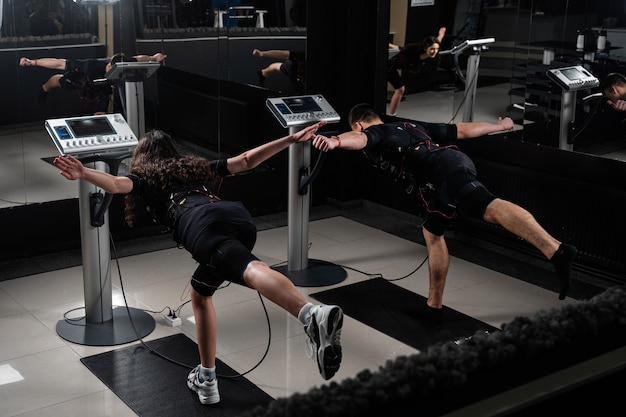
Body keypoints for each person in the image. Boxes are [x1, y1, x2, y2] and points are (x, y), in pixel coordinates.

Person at [52, 123, 343, 405]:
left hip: (201, 226)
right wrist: (289, 140)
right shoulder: (197, 168)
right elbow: (245, 160)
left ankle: (309, 314)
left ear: (143, 157)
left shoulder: (146, 177)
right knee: (200, 293)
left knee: (250, 269)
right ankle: (207, 378)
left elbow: (116, 184)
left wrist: (83, 172)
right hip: (236, 219)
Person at [311, 103, 577, 322]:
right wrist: (500, 126)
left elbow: (361, 139)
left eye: (354, 128)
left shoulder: (379, 132)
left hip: (444, 171)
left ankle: (556, 249)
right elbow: (462, 130)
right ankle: (433, 306)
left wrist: (335, 141)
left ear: (357, 122)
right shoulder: (410, 126)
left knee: (489, 207)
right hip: (445, 171)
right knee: (433, 231)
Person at [19, 52, 167, 114]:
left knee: (101, 106)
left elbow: (139, 58)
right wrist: (32, 62)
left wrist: (154, 58)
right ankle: (44, 89)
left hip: (100, 87)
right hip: (81, 80)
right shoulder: (90, 65)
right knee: (57, 81)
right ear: (109, 65)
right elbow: (58, 63)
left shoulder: (123, 65)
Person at [388, 27, 446, 116]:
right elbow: (399, 48)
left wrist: (441, 35)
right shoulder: (413, 49)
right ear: (425, 48)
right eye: (432, 49)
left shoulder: (432, 51)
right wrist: (387, 44)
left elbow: (437, 41)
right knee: (400, 89)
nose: (435, 52)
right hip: (389, 65)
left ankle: (392, 115)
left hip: (394, 68)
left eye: (437, 49)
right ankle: (391, 115)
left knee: (400, 90)